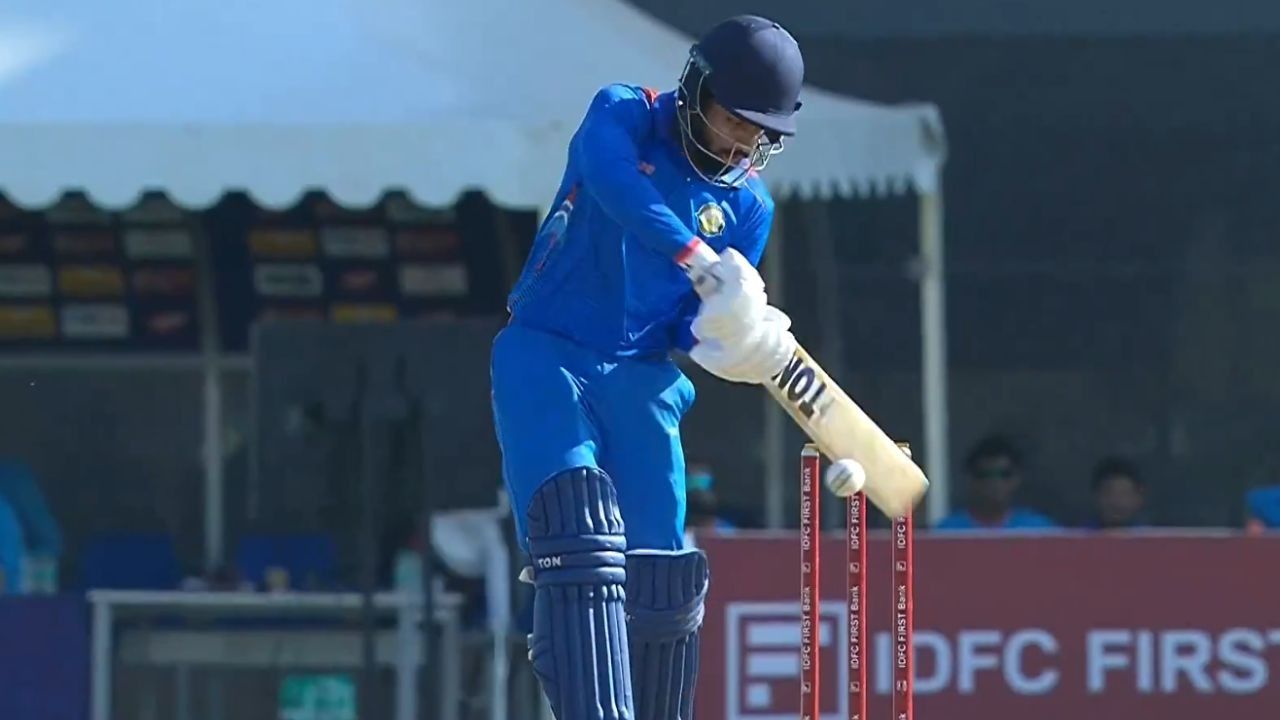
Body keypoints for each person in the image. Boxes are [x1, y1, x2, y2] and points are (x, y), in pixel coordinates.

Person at [489, 15, 804, 720]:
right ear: (696, 89)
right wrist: (694, 253)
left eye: (759, 133)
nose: (741, 143)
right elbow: (612, 183)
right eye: (733, 119)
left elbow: (690, 325)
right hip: (548, 353)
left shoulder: (750, 207)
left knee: (664, 578)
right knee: (576, 529)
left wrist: (728, 337)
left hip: (644, 377)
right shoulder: (625, 113)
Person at [934, 435, 1058, 531]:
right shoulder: (945, 533)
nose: (995, 482)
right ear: (970, 480)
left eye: (1004, 474)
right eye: (984, 474)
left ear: (1017, 479)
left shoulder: (1040, 531)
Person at [1086, 457, 1150, 530]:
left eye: (1124, 493)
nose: (1116, 502)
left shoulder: (1151, 534)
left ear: (1138, 498)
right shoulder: (1081, 534)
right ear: (1096, 496)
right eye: (1108, 493)